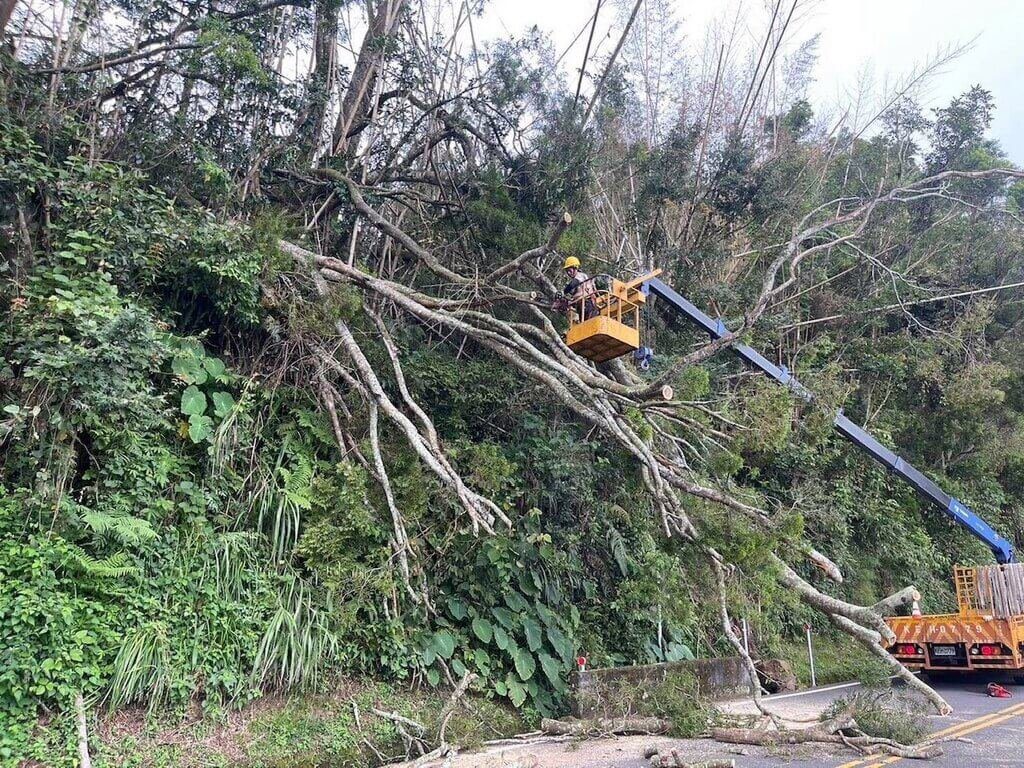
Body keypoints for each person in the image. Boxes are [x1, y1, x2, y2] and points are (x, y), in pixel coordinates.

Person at [559, 256, 598, 321]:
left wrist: (564, 291)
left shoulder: (580, 276)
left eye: (570, 270)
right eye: (567, 271)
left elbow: (572, 284)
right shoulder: (578, 279)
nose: (568, 273)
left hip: (587, 303)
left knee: (588, 321)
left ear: (575, 268)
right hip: (581, 305)